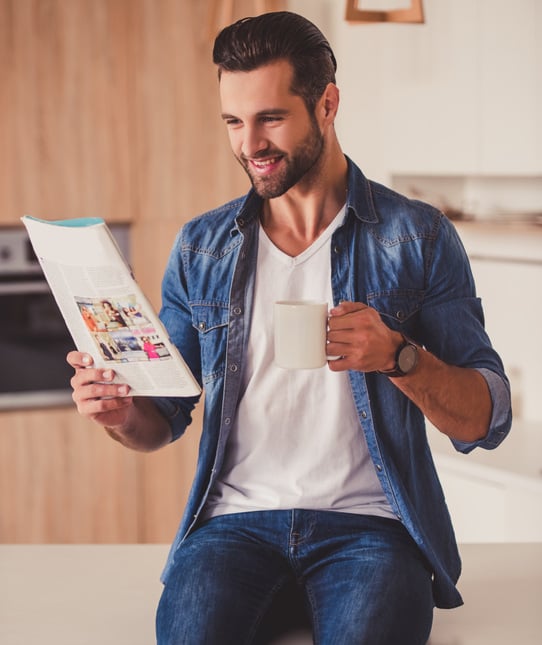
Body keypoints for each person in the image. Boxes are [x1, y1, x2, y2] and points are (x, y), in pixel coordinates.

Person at [67, 11, 512, 645]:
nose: (250, 144)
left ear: (326, 104)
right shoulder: (202, 247)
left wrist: (398, 357)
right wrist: (118, 413)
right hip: (233, 527)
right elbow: (161, 417)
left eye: (271, 118)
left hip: (371, 529)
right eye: (233, 121)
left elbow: (487, 418)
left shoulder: (416, 236)